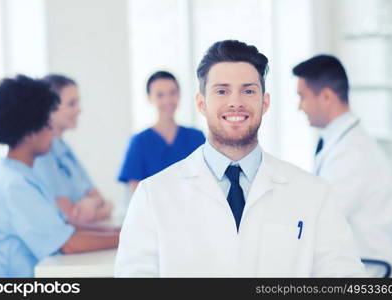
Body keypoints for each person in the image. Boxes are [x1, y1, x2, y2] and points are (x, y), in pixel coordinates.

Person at [114, 40, 366, 277]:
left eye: (248, 91)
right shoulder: (152, 196)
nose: (235, 102)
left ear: (265, 102)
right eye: (222, 91)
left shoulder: (314, 194)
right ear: (201, 103)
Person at [0, 75, 119, 277]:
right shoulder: (14, 184)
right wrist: (126, 238)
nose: (52, 134)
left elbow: (65, 225)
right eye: (48, 126)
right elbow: (68, 244)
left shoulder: (21, 172)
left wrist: (119, 232)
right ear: (30, 132)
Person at [293, 55, 392, 277]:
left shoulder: (353, 154)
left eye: (302, 97)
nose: (300, 107)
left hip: (368, 271)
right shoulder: (341, 142)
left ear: (326, 97)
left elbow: (319, 220)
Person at [33, 74, 113, 224]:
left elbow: (100, 199)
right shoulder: (42, 155)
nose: (79, 110)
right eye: (72, 104)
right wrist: (101, 209)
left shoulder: (65, 150)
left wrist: (92, 204)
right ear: (49, 108)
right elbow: (70, 217)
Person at [117, 71, 205, 194]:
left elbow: (206, 181)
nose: (167, 100)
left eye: (172, 93)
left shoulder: (196, 138)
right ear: (149, 98)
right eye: (160, 95)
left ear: (179, 95)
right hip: (153, 212)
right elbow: (137, 194)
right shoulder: (139, 142)